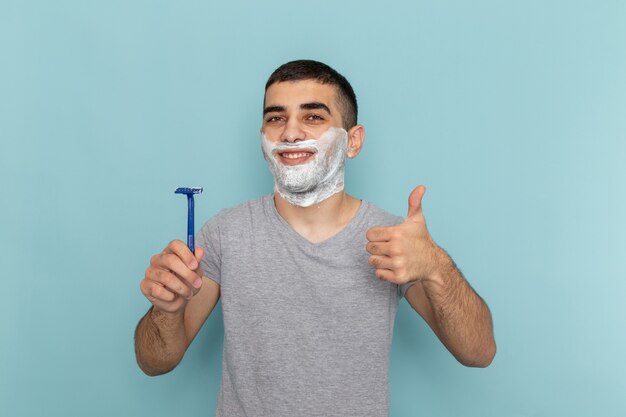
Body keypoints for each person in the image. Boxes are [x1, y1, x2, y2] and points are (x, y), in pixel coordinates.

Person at [135, 60, 496, 417]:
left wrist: (435, 264)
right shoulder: (225, 233)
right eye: (276, 118)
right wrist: (167, 310)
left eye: (313, 117)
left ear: (353, 141)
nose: (290, 133)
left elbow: (478, 352)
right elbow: (154, 362)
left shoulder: (392, 241)